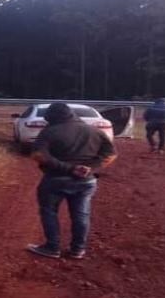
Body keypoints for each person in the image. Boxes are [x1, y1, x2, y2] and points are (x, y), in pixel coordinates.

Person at [26, 103, 117, 260]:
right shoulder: (95, 131)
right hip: (86, 181)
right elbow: (111, 154)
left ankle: (52, 247)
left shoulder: (49, 132)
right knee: (81, 214)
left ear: (52, 118)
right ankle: (78, 250)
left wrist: (69, 168)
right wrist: (90, 167)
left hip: (55, 179)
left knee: (49, 212)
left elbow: (38, 155)